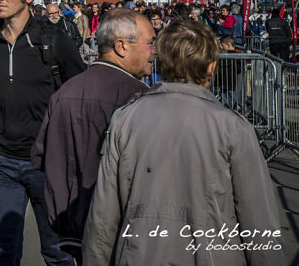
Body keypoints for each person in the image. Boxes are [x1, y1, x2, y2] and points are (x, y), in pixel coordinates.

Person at [82, 20, 283, 264]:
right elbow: (258, 220)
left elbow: (103, 215)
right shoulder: (233, 127)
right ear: (211, 66)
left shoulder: (126, 119)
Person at [0, 0, 85, 266]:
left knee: (59, 254)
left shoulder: (54, 41)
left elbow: (80, 101)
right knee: (4, 254)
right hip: (0, 164)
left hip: (49, 163)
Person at [30, 9, 154, 264]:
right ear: (121, 46)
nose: (155, 51)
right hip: (119, 229)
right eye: (150, 43)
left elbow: (40, 156)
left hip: (69, 223)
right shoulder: (139, 96)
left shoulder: (66, 91)